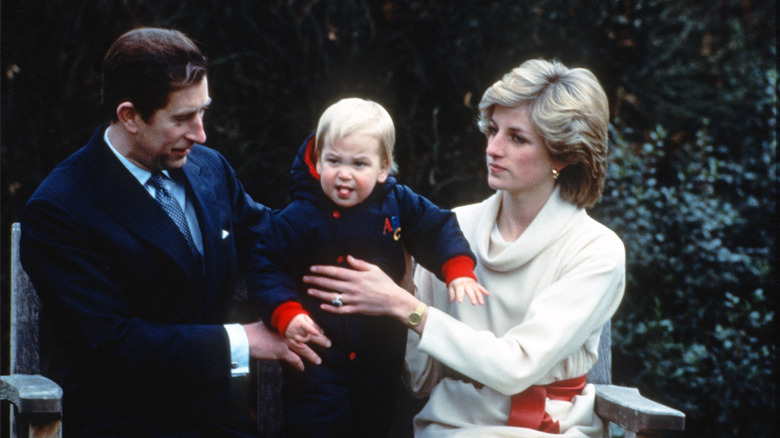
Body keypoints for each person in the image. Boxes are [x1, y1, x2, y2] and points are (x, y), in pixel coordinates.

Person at [19, 27, 321, 437]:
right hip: (124, 424)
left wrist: (376, 233)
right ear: (129, 116)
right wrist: (241, 340)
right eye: (182, 118)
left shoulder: (208, 168)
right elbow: (111, 343)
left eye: (203, 111)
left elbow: (275, 238)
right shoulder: (61, 208)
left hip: (222, 421)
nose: (201, 133)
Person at [304, 59, 626, 437]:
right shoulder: (455, 228)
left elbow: (515, 367)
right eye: (492, 130)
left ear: (564, 155)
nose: (493, 148)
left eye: (517, 138)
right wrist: (405, 290)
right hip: (452, 429)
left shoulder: (595, 250)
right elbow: (421, 380)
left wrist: (403, 305)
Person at [246, 97, 489, 437]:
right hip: (319, 354)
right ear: (317, 161)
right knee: (314, 425)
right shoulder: (299, 217)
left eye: (359, 164)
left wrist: (458, 268)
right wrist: (287, 313)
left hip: (380, 351)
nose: (344, 174)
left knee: (374, 423)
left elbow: (437, 228)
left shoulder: (397, 203)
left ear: (383, 168)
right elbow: (267, 265)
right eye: (333, 160)